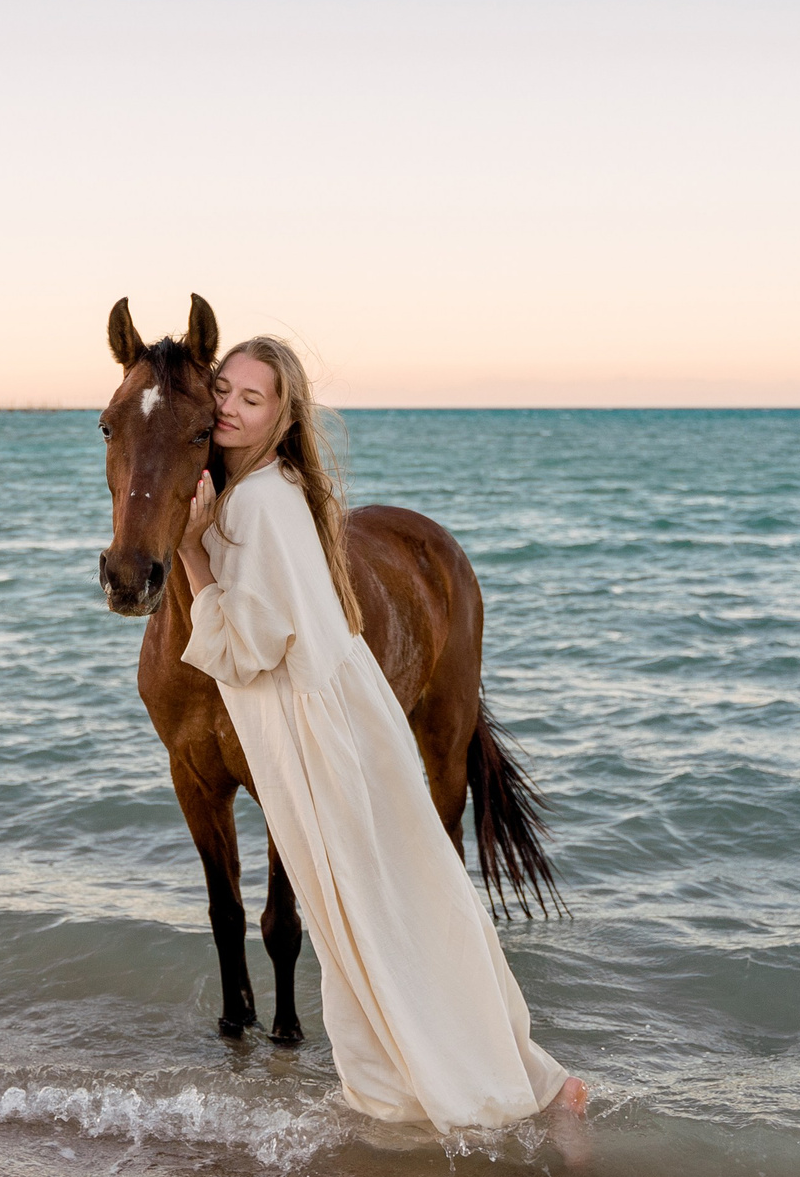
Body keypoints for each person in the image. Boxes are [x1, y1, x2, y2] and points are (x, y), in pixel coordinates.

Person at [175, 335, 587, 1132]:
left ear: (281, 416)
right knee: (405, 904)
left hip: (312, 737)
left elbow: (247, 649)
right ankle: (513, 1076)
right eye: (223, 388)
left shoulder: (253, 505)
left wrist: (192, 550)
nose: (228, 405)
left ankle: (449, 1099)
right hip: (345, 719)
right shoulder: (278, 485)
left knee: (361, 926)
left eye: (250, 399)